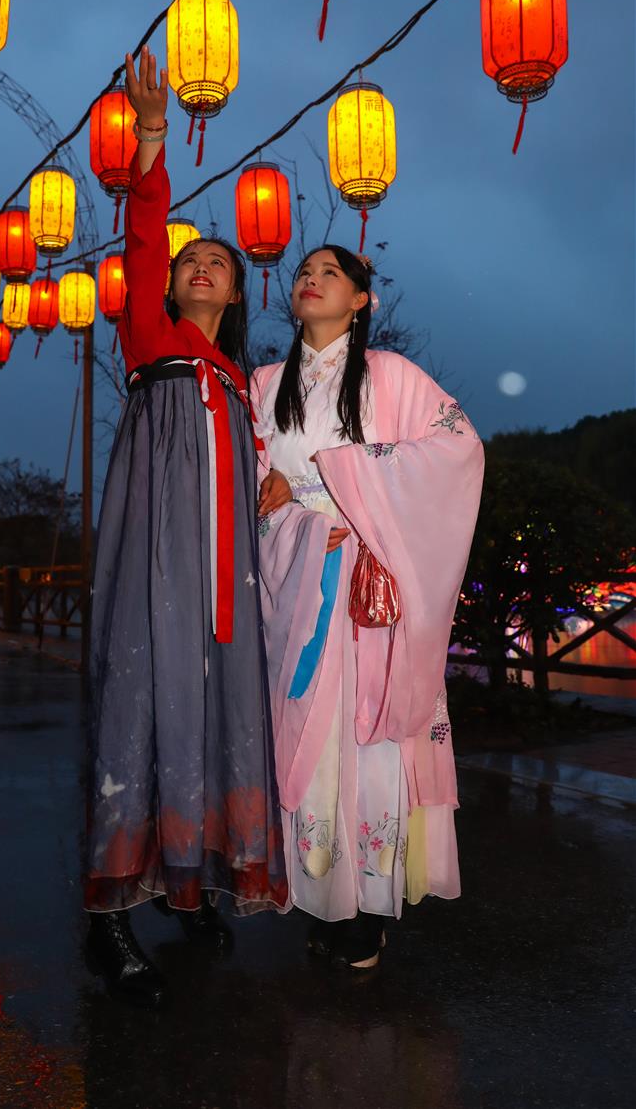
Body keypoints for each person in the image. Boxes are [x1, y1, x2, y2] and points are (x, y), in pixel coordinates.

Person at [85, 46, 288, 1007]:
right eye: (189, 260)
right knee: (139, 706)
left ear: (238, 293)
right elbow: (142, 226)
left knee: (213, 716)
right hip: (158, 568)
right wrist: (153, 138)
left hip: (227, 586)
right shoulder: (151, 341)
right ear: (167, 288)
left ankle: (188, 881)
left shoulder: (243, 384)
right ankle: (111, 915)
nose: (203, 263)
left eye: (221, 262)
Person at [253, 246, 483, 970]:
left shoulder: (393, 377)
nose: (310, 280)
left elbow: (458, 450)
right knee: (306, 741)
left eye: (329, 273)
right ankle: (319, 893)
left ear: (362, 300)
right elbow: (247, 471)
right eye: (302, 273)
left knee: (368, 739)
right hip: (293, 577)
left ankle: (365, 907)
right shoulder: (264, 383)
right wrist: (277, 494)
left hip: (368, 584)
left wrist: (342, 476)